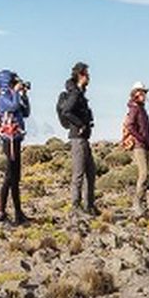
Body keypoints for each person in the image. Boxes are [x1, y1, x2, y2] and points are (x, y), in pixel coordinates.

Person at [57, 62, 98, 216]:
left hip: (83, 138)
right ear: (81, 75)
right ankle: (76, 207)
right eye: (87, 74)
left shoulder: (79, 92)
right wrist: (80, 124)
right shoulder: (75, 93)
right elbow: (67, 111)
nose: (89, 77)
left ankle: (89, 206)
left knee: (91, 172)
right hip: (78, 138)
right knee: (79, 173)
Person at [0, 69, 31, 225]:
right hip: (8, 140)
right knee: (9, 177)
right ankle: (0, 212)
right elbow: (13, 106)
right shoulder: (3, 96)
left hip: (16, 139)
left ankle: (18, 213)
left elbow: (25, 112)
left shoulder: (11, 94)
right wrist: (17, 93)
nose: (15, 83)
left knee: (16, 178)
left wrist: (24, 95)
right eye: (13, 81)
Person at [124, 82, 149, 217]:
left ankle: (143, 205)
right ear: (135, 94)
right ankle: (137, 204)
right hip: (139, 146)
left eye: (145, 92)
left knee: (145, 176)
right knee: (144, 174)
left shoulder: (142, 109)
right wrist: (141, 138)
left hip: (145, 145)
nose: (144, 95)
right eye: (141, 92)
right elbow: (130, 126)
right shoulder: (135, 108)